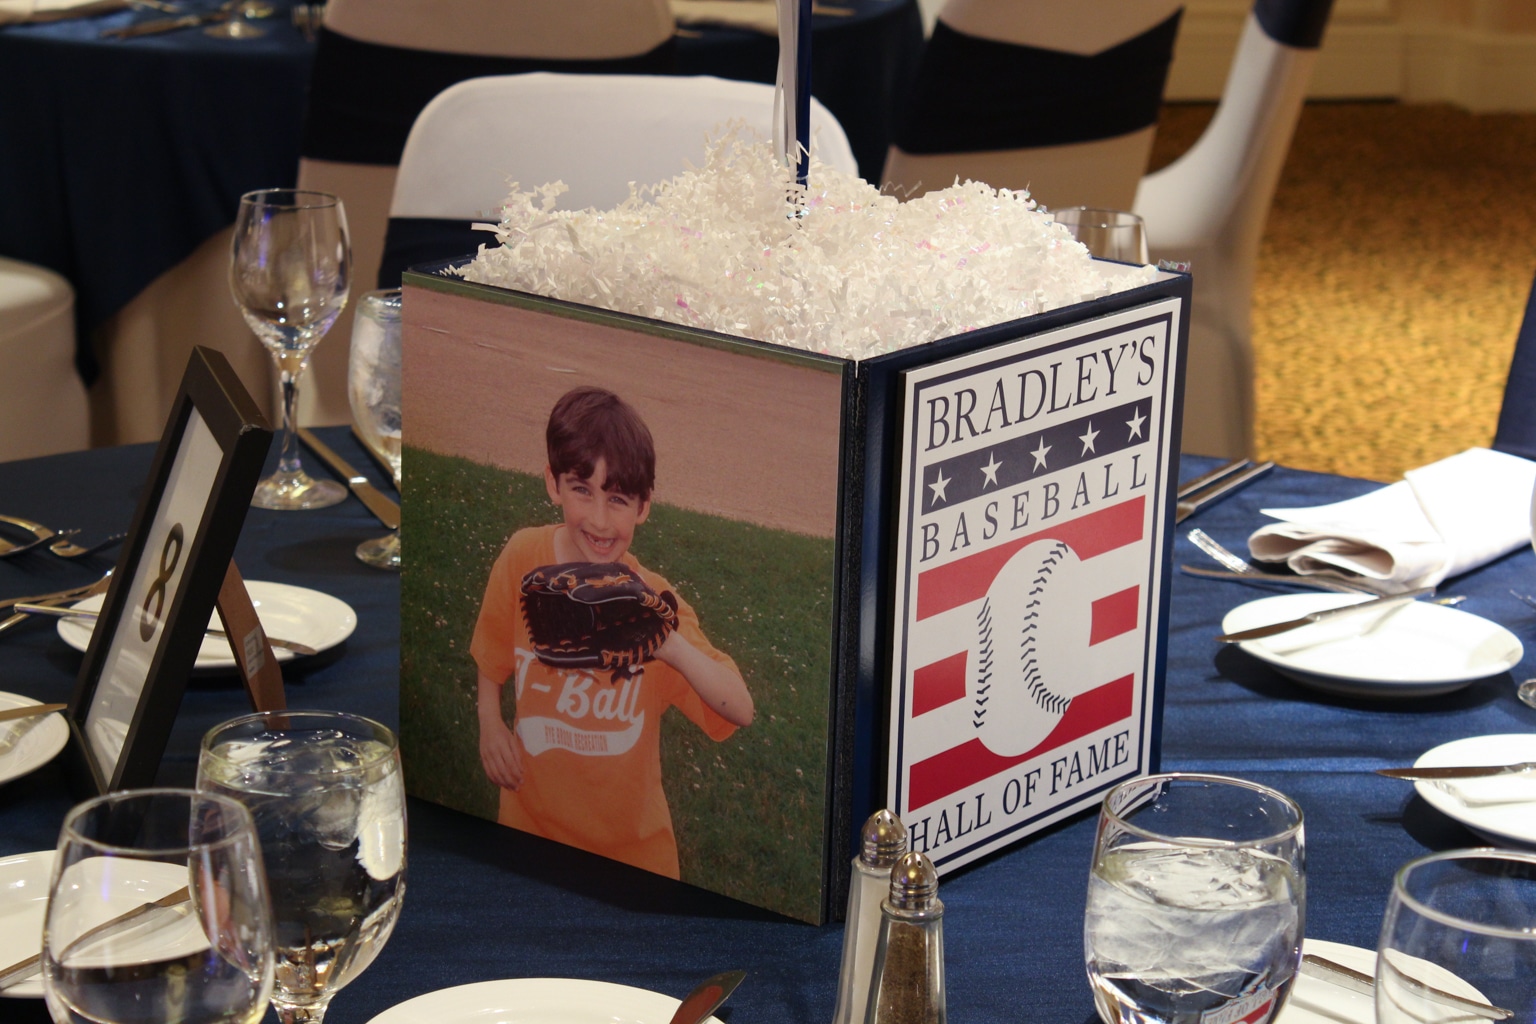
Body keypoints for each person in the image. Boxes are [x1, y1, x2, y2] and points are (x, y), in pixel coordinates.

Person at [471, 385, 755, 878]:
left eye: (618, 498)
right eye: (582, 489)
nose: (599, 520)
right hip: (528, 827)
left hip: (630, 854)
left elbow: (741, 709)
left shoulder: (651, 602)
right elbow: (492, 655)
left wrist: (667, 644)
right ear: (552, 484)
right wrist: (489, 723)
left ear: (644, 506)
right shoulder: (522, 559)